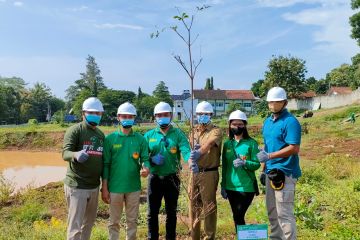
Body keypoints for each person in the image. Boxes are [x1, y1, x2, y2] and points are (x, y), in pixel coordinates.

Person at [257, 87, 302, 240]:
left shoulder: (290, 122)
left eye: (277, 102)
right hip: (271, 172)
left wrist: (270, 155)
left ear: (284, 102)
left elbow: (294, 148)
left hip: (285, 172)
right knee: (272, 211)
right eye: (270, 102)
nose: (273, 105)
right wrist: (263, 169)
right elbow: (267, 147)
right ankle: (276, 237)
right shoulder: (268, 122)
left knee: (284, 213)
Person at [101, 102, 150, 240]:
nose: (127, 118)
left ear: (134, 118)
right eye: (124, 116)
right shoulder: (110, 139)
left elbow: (145, 158)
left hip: (133, 187)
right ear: (118, 117)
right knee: (114, 222)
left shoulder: (140, 139)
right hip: (115, 187)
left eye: (130, 116)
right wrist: (104, 187)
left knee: (132, 221)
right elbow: (106, 164)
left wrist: (146, 168)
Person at [144, 101, 191, 240]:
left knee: (171, 212)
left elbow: (185, 150)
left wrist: (190, 159)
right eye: (159, 115)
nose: (162, 117)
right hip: (155, 178)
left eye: (165, 115)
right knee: (152, 213)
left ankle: (170, 237)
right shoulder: (149, 135)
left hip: (172, 178)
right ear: (155, 117)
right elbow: (143, 157)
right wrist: (151, 160)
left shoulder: (178, 134)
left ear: (171, 116)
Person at [62, 97, 105, 240]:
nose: (96, 115)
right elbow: (65, 153)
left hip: (94, 186)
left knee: (88, 224)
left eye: (98, 113)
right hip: (77, 186)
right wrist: (75, 154)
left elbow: (103, 159)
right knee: (75, 227)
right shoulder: (75, 130)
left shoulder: (100, 134)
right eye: (92, 112)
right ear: (83, 113)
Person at [221, 110, 260, 232]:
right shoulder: (227, 144)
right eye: (234, 124)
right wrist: (223, 185)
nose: (237, 127)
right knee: (237, 217)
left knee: (239, 215)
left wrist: (245, 162)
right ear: (229, 126)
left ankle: (247, 235)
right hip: (231, 187)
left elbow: (257, 164)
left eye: (240, 124)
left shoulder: (251, 143)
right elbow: (225, 166)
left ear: (244, 125)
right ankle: (242, 236)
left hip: (246, 187)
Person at [188, 101, 223, 240]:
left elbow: (208, 145)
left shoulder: (216, 130)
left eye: (205, 114)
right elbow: (190, 152)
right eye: (200, 114)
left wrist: (199, 152)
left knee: (209, 206)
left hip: (209, 173)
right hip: (194, 172)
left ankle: (209, 237)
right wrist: (191, 162)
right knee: (193, 206)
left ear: (211, 115)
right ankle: (194, 237)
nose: (202, 116)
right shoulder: (193, 132)